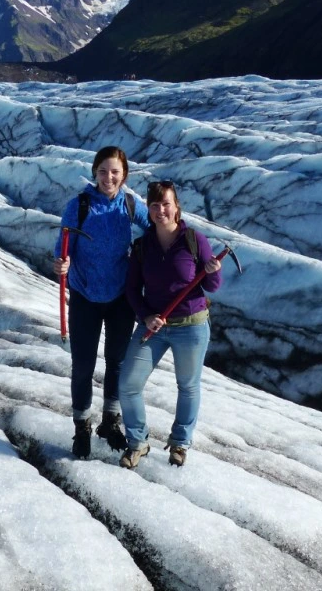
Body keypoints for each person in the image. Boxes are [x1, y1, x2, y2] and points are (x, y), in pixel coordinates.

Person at [54, 146, 150, 459]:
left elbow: (157, 228)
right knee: (83, 365)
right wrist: (62, 263)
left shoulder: (130, 204)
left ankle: (110, 422)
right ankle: (82, 427)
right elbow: (62, 247)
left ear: (124, 175)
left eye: (115, 172)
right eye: (103, 171)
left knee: (117, 362)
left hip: (121, 297)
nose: (109, 177)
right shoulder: (79, 205)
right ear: (95, 172)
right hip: (85, 295)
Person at [118, 181, 222, 469]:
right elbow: (132, 290)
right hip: (154, 325)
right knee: (128, 384)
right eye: (154, 205)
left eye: (166, 204)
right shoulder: (142, 246)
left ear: (177, 207)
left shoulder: (194, 240)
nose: (161, 210)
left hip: (192, 325)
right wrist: (145, 316)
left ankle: (180, 443)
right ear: (149, 210)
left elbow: (212, 286)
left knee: (187, 385)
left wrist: (213, 271)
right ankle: (137, 442)